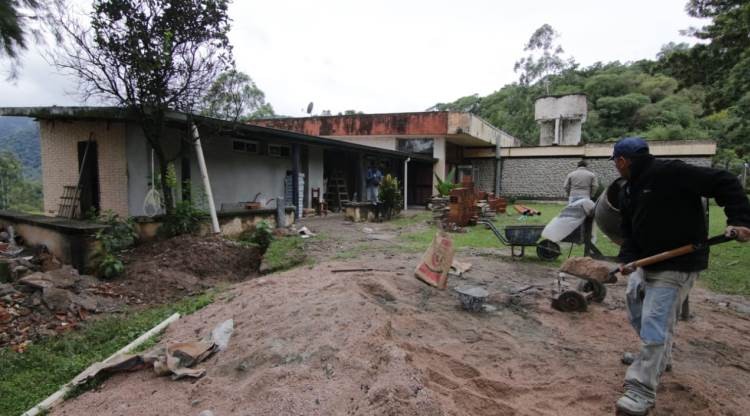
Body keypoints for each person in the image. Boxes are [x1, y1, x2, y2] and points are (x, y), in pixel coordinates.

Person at [611, 137, 750, 415]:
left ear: (622, 161)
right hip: (646, 263)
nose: (616, 166)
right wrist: (627, 260)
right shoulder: (628, 190)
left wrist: (740, 220)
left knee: (655, 322)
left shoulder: (670, 172)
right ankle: (660, 357)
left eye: (615, 162)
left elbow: (724, 181)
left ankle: (641, 389)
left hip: (677, 265)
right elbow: (629, 230)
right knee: (636, 308)